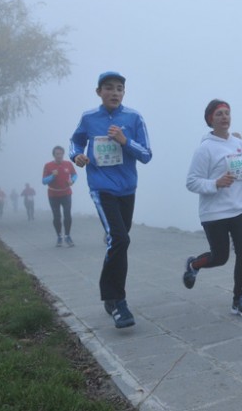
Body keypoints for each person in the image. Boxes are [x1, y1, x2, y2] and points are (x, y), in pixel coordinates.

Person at [70, 71, 152, 329]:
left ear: (124, 93)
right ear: (99, 92)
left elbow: (146, 154)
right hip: (101, 187)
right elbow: (75, 142)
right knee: (119, 239)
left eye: (119, 88)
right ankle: (117, 302)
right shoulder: (89, 118)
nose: (114, 92)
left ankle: (110, 297)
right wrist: (76, 156)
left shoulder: (134, 118)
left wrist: (125, 141)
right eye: (108, 88)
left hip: (127, 188)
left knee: (118, 243)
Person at [183, 99, 242, 318]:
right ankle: (194, 265)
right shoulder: (205, 149)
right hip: (214, 212)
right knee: (220, 257)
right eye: (219, 114)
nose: (224, 117)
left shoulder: (239, 144)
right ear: (210, 119)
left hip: (240, 208)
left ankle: (239, 300)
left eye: (227, 113)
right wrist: (215, 184)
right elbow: (191, 182)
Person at [42, 145, 78, 247]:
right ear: (54, 155)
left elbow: (75, 175)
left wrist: (72, 180)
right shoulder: (48, 166)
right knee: (57, 216)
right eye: (57, 154)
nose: (59, 156)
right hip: (53, 195)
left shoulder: (68, 164)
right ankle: (59, 236)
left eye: (61, 154)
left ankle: (67, 236)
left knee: (67, 215)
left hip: (66, 193)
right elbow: (44, 181)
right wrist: (52, 176)